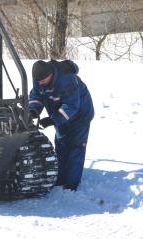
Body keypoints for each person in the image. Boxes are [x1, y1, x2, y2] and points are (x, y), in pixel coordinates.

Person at [29, 59, 94, 191]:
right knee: (61, 145)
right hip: (60, 115)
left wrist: (53, 120)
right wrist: (33, 109)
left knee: (76, 147)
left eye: (43, 80)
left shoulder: (67, 80)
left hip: (80, 115)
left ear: (51, 74)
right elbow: (36, 95)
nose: (40, 83)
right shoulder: (39, 79)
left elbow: (71, 105)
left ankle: (71, 183)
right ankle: (59, 178)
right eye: (38, 81)